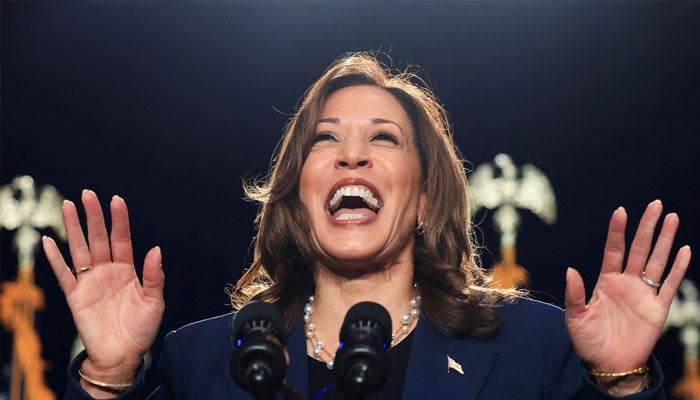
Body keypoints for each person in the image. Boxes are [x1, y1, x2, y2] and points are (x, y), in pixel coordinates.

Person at [42, 52, 692, 400]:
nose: (352, 155)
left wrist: (623, 382)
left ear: (425, 201)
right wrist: (108, 373)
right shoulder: (203, 362)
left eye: (383, 138)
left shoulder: (535, 347)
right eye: (326, 141)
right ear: (298, 197)